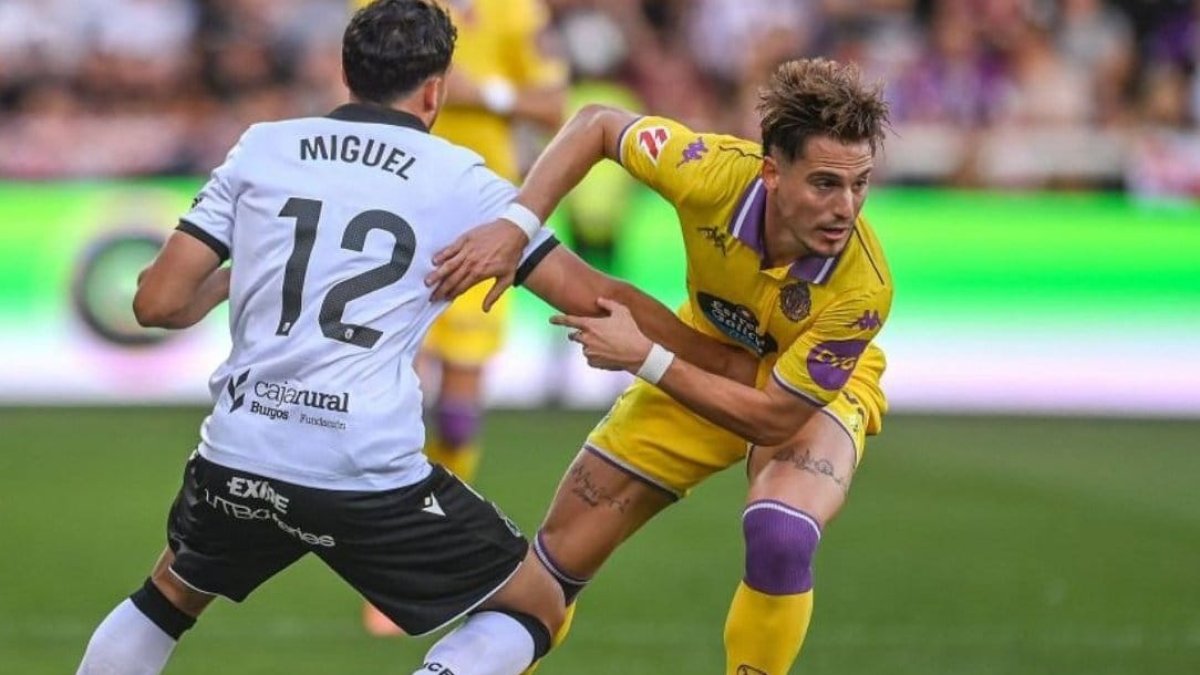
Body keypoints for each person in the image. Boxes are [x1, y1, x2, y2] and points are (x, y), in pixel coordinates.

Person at [74, 2, 756, 674]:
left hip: (240, 446)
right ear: (435, 90)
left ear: (347, 73)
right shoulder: (459, 180)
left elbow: (157, 303)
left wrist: (246, 269)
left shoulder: (263, 146)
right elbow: (597, 296)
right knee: (537, 606)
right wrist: (719, 357)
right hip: (361, 465)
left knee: (169, 593)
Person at [430, 58, 894, 674]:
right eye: (825, 184)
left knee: (780, 532)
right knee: (552, 567)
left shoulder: (863, 287)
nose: (846, 208)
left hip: (805, 393)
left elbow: (774, 418)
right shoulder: (708, 171)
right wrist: (517, 227)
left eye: (860, 184)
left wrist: (646, 358)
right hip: (701, 351)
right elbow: (596, 124)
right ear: (771, 173)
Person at [351, 0, 569, 635]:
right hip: (393, 217)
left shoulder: (516, 10)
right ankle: (390, 567)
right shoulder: (381, 6)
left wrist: (487, 95)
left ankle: (423, 551)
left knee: (456, 410)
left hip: (480, 218)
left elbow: (553, 106)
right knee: (398, 396)